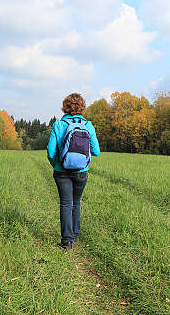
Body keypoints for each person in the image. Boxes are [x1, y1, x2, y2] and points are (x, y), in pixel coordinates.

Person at [47, 93, 100, 249]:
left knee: (66, 203)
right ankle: (75, 235)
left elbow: (50, 152)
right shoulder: (88, 126)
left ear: (65, 107)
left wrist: (56, 165)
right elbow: (96, 151)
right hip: (82, 172)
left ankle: (67, 241)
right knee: (76, 202)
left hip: (61, 171)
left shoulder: (58, 125)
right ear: (82, 107)